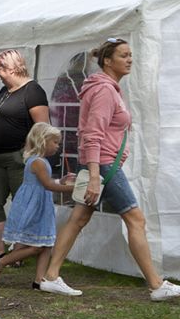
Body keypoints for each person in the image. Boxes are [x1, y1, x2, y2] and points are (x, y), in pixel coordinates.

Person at [38, 39, 180, 300]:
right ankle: (157, 285)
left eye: (130, 55)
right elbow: (92, 134)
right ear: (107, 61)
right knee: (136, 219)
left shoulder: (108, 88)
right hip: (102, 165)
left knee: (79, 218)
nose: (129, 59)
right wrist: (94, 175)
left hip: (101, 163)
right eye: (123, 55)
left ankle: (51, 276)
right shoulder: (103, 90)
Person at [0, 49, 49, 267]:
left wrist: (33, 156)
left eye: (0, 68)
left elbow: (43, 128)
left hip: (20, 158)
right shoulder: (5, 91)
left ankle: (17, 253)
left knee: (22, 206)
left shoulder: (33, 91)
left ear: (13, 67)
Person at [0, 123, 74, 286]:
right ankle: (2, 261)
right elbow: (48, 185)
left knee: (46, 243)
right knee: (36, 246)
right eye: (55, 142)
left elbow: (46, 182)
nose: (57, 146)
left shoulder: (40, 161)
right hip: (35, 207)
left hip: (41, 205)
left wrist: (60, 181)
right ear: (43, 141)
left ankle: (39, 280)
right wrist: (71, 188)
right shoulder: (38, 162)